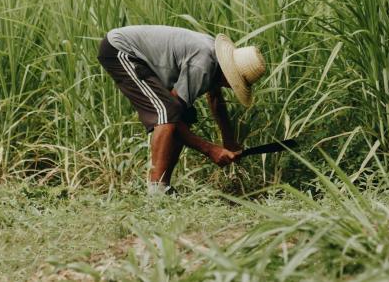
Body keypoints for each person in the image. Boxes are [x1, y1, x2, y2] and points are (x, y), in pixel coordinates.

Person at [97, 25, 266, 195]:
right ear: (230, 73)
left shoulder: (215, 61)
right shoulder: (204, 64)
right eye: (236, 82)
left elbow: (216, 100)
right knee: (167, 112)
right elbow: (172, 115)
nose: (232, 86)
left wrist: (229, 142)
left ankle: (163, 186)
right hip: (120, 49)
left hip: (133, 51)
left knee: (183, 114)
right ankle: (156, 190)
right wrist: (211, 150)